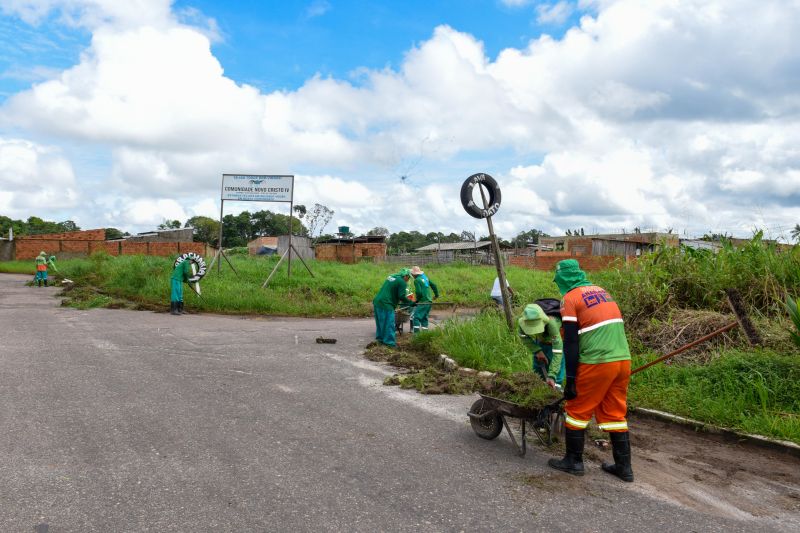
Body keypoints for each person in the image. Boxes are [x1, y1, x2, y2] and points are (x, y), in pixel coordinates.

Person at [547, 259, 633, 482]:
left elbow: (572, 343)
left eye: (558, 281)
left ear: (563, 278)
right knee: (615, 413)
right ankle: (625, 468)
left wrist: (572, 380)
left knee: (576, 410)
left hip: (597, 361)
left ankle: (573, 462)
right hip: (622, 360)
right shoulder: (602, 291)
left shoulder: (570, 298)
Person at [517, 303, 564, 389]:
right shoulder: (522, 322)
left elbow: (558, 352)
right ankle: (538, 387)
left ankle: (556, 389)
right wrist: (537, 351)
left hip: (556, 344)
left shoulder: (552, 324)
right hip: (540, 342)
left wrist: (552, 375)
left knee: (557, 371)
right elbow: (522, 335)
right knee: (538, 368)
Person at [373, 268, 416, 347]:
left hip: (377, 302)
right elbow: (401, 296)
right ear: (405, 276)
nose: (408, 279)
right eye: (408, 277)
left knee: (380, 323)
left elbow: (393, 292)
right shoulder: (402, 282)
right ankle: (389, 343)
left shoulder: (392, 277)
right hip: (386, 304)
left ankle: (380, 340)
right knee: (389, 324)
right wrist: (410, 303)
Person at [410, 266, 439, 333]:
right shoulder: (425, 278)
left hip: (423, 301)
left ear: (414, 274)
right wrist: (436, 295)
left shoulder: (417, 280)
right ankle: (425, 334)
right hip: (429, 301)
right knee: (424, 318)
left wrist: (416, 301)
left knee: (416, 317)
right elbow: (434, 285)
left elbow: (419, 292)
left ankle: (416, 335)